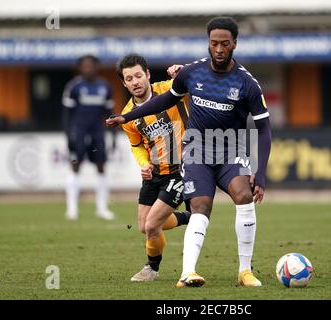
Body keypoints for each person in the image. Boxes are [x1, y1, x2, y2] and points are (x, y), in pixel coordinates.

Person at [107, 17, 272, 288]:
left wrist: (261, 175)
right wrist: (127, 117)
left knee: (244, 196)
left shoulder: (247, 83)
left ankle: (245, 271)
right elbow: (163, 100)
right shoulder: (192, 73)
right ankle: (188, 272)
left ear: (234, 44)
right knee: (199, 206)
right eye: (214, 43)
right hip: (195, 150)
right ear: (208, 43)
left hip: (231, 149)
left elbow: (264, 129)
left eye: (225, 44)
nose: (219, 49)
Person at [116, 54, 191, 281]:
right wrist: (144, 163)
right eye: (129, 78)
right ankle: (188, 217)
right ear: (124, 83)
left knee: (151, 225)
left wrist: (183, 71)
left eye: (138, 75)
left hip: (180, 170)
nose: (135, 81)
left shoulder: (170, 89)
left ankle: (152, 269)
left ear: (147, 75)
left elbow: (201, 80)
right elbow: (136, 146)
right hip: (153, 174)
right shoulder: (128, 115)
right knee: (144, 226)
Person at [62, 54, 115, 220]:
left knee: (101, 167)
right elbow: (66, 113)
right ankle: (72, 209)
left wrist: (113, 136)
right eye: (84, 66)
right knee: (75, 165)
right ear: (80, 68)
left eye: (91, 65)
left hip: (97, 132)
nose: (88, 69)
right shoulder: (74, 86)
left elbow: (110, 113)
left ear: (96, 67)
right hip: (79, 132)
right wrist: (67, 135)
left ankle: (102, 208)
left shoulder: (105, 86)